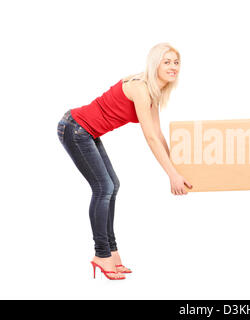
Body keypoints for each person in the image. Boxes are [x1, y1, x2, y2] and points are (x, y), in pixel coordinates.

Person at [57, 43, 192, 280]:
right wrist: (170, 174)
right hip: (75, 128)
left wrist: (177, 168)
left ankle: (112, 252)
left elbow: (158, 134)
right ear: (155, 64)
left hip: (87, 132)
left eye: (176, 62)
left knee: (112, 185)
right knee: (104, 187)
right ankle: (101, 254)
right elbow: (149, 137)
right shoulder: (141, 88)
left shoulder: (154, 92)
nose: (173, 67)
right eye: (167, 61)